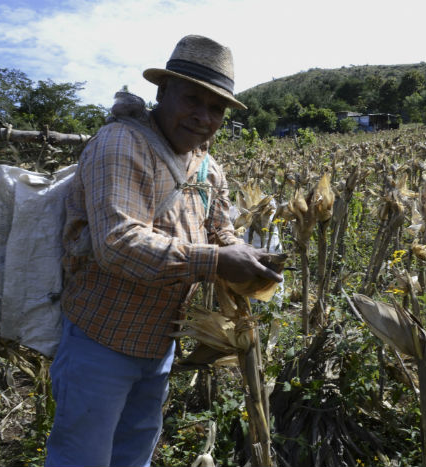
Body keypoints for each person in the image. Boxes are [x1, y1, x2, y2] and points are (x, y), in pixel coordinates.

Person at [45, 35, 282, 467]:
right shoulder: (121, 145)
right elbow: (119, 243)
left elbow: (219, 228)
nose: (204, 117)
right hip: (101, 341)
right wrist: (216, 261)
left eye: (216, 109)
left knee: (134, 452)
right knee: (82, 456)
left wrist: (245, 257)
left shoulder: (208, 167)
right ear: (162, 92)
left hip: (159, 344)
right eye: (193, 99)